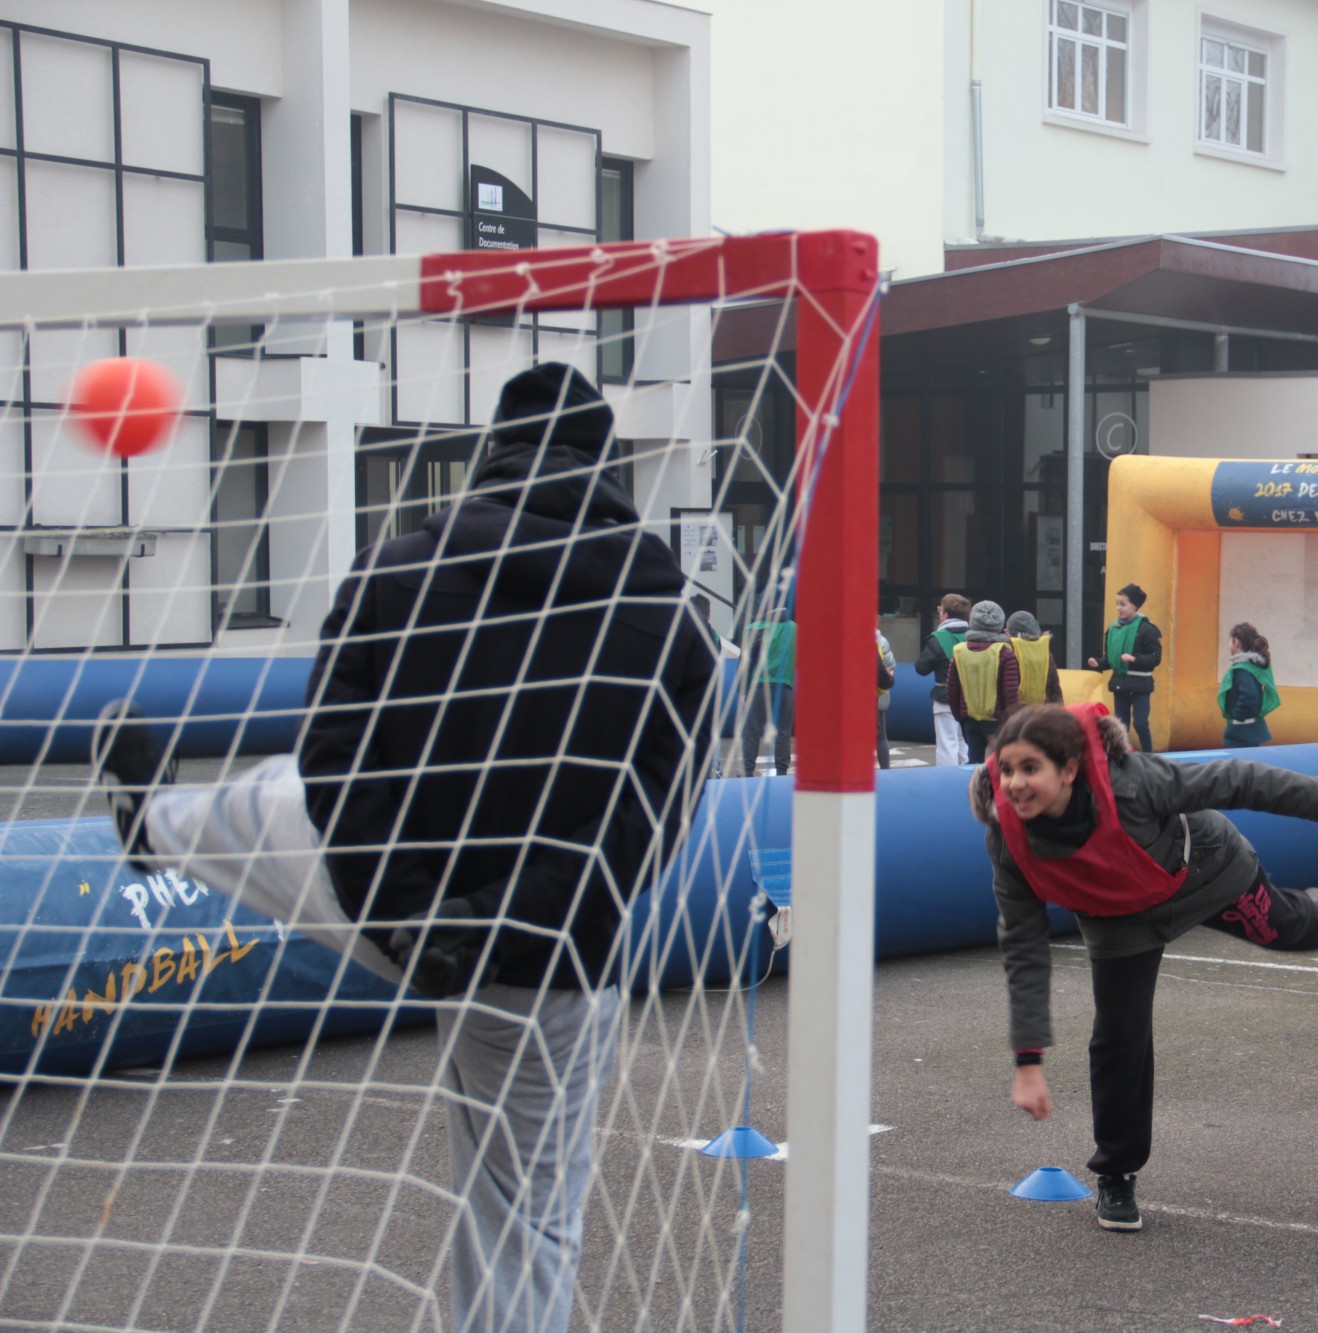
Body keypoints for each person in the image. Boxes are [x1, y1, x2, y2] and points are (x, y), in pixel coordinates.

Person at [91, 362, 717, 1333]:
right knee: (526, 1217)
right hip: (547, 962)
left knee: (274, 797)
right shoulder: (671, 619)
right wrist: (494, 916)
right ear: (605, 467)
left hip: (391, 908)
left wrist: (411, 914)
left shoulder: (393, 568)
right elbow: (645, 821)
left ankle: (160, 831)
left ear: (490, 454)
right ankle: (165, 833)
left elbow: (336, 763)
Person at [969, 702, 1318, 1232]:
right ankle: (1116, 1173)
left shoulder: (1136, 785)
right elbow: (1024, 948)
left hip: (1202, 875)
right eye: (1006, 770)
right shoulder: (1010, 839)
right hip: (1117, 916)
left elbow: (1239, 778)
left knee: (1281, 930)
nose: (1015, 784)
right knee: (1119, 1036)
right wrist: (1028, 1061)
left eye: (1030, 769)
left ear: (1069, 769)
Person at [1085, 583, 1160, 753]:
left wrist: (1134, 659)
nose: (1119, 608)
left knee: (1141, 724)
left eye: (1123, 604)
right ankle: (1122, 756)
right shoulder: (1113, 628)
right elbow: (1111, 659)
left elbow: (1155, 658)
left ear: (1135, 605)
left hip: (1140, 684)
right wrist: (1099, 663)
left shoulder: (1147, 629)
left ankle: (1149, 756)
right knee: (1121, 725)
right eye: (1117, 603)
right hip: (1120, 683)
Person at [946, 600, 1020, 764]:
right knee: (1002, 763)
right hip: (998, 721)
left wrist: (960, 716)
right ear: (999, 623)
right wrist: (1012, 722)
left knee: (973, 762)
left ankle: (974, 789)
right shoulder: (1004, 652)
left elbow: (952, 690)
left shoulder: (959, 651)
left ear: (973, 622)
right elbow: (1010, 693)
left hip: (970, 720)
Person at [736, 606, 795, 777]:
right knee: (783, 733)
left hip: (758, 688)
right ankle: (782, 773)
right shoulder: (794, 629)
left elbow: (744, 665)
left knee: (751, 732)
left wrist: (742, 692)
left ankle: (747, 772)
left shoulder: (753, 629)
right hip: (784, 688)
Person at [916, 594, 972, 766]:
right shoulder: (975, 636)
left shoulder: (938, 639)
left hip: (945, 696)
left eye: (940, 610)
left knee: (947, 742)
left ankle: (948, 781)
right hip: (972, 697)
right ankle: (968, 779)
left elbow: (921, 668)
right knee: (965, 741)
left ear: (945, 614)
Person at [1219, 622, 1280, 748]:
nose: (1229, 644)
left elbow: (1249, 695)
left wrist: (1237, 715)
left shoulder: (1242, 670)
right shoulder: (1253, 666)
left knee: (1235, 765)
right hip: (1251, 730)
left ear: (1236, 642)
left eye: (1230, 640)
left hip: (1240, 732)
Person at [1007, 609, 1063, 706]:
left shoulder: (1009, 650)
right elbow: (1055, 689)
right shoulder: (1045, 650)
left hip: (1017, 713)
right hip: (1042, 711)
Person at [875, 624, 898, 770]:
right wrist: (889, 679)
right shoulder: (880, 641)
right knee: (880, 736)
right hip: (877, 694)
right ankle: (885, 770)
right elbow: (889, 667)